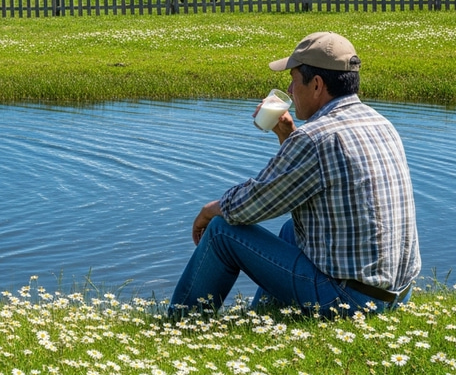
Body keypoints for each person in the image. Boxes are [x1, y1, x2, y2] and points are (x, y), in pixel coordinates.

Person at [169, 31, 421, 318]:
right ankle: (263, 317)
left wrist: (209, 211)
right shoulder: (381, 123)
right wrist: (288, 136)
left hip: (347, 300)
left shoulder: (315, 138)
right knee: (292, 230)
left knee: (221, 231)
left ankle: (181, 322)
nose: (289, 90)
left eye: (293, 80)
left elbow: (254, 204)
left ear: (316, 84)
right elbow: (309, 179)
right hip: (396, 295)